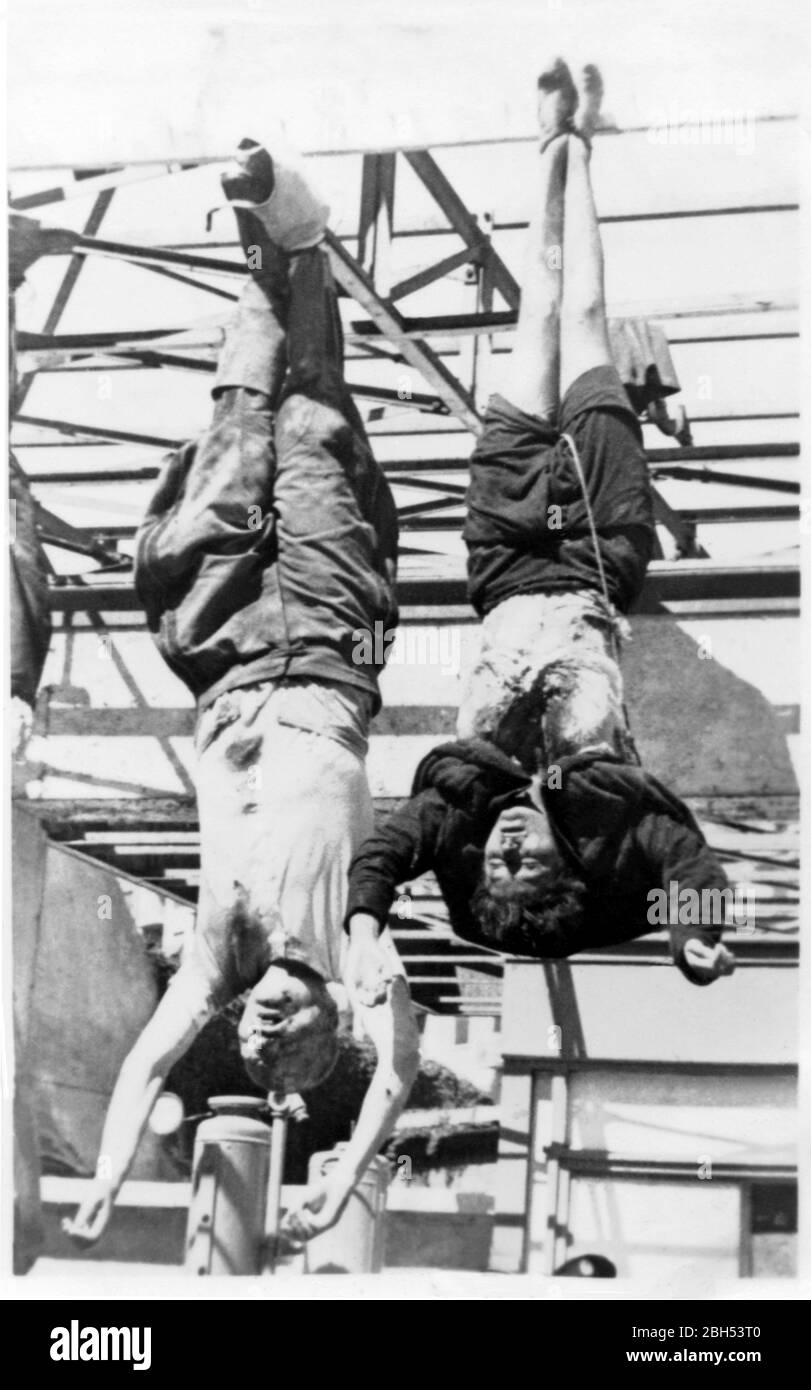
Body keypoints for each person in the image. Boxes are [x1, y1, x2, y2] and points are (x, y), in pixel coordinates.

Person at [65, 143, 420, 1249]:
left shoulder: (219, 961)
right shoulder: (360, 958)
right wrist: (344, 1173)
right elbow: (397, 1083)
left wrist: (113, 1171)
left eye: (256, 1041)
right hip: (323, 652)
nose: (265, 1029)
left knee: (228, 449)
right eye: (290, 1040)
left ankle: (273, 255)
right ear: (329, 1029)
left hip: (223, 663)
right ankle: (295, 255)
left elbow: (145, 1061)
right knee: (310, 435)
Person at [345, 62, 736, 992]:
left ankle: (545, 143)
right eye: (533, 863)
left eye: (496, 865)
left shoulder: (457, 815)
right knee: (587, 315)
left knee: (533, 322)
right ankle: (583, 147)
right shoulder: (607, 825)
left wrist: (363, 928)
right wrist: (693, 935)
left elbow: (382, 858)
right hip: (596, 548)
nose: (511, 848)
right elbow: (682, 859)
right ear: (569, 868)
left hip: (507, 556)